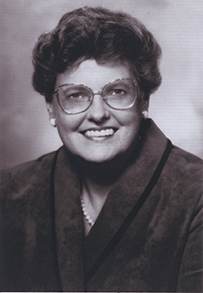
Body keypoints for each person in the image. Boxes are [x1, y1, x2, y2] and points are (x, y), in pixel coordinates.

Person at [0, 6, 202, 292]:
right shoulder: (9, 192)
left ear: (143, 101)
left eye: (117, 91)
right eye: (75, 95)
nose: (97, 113)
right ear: (51, 108)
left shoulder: (196, 193)